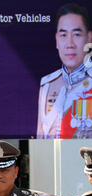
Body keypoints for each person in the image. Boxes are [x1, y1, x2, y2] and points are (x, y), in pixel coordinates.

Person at [37, 3, 92, 139]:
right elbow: (40, 138)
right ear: (56, 40)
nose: (70, 44)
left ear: (89, 38)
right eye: (63, 35)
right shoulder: (47, 84)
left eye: (77, 35)